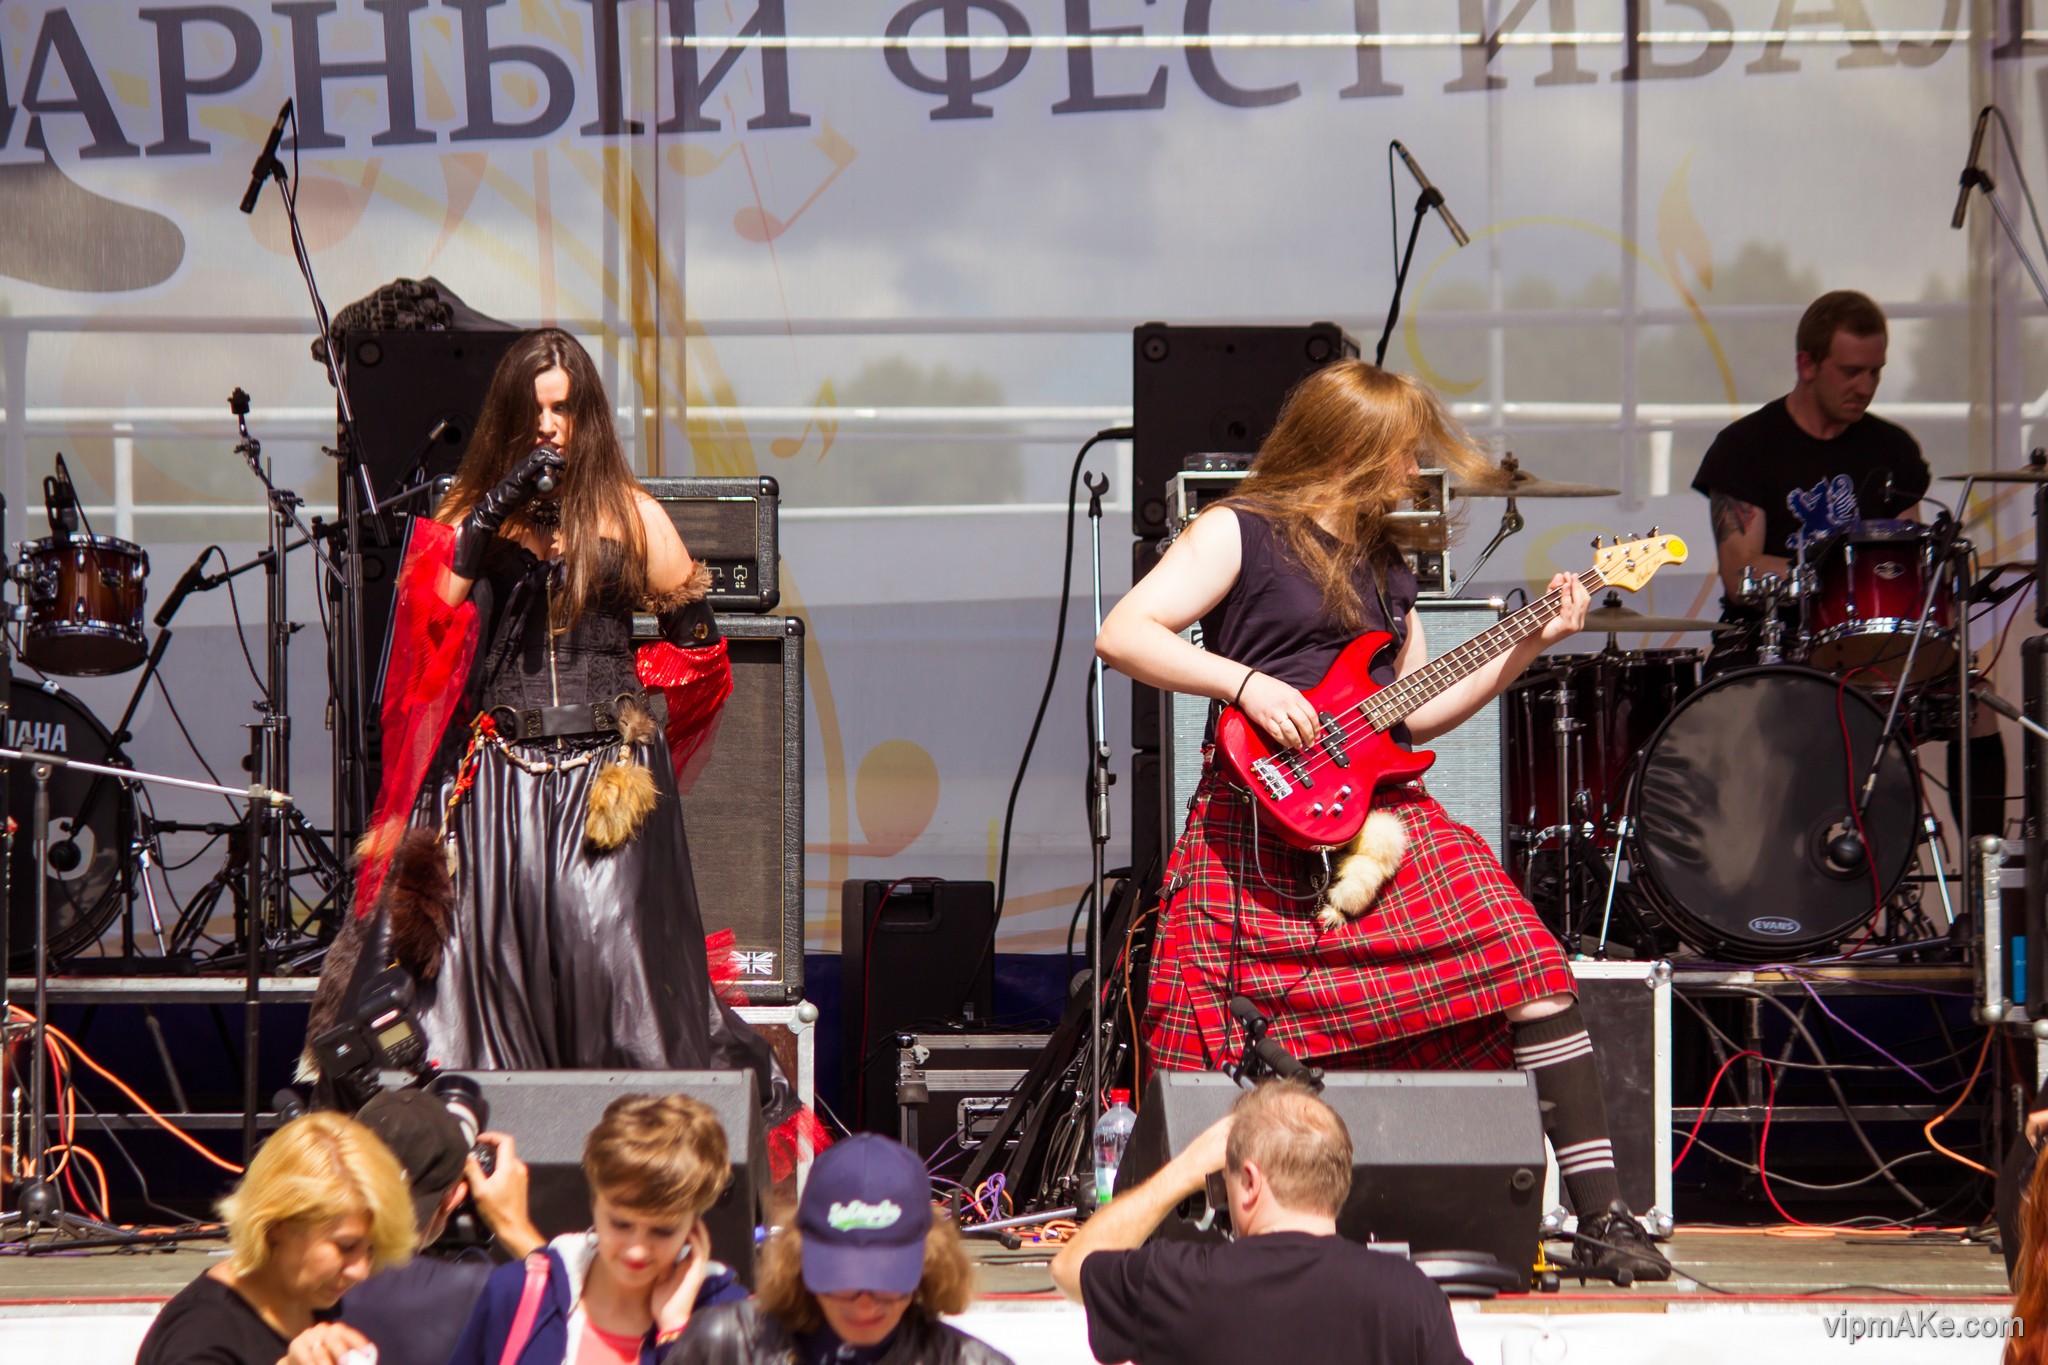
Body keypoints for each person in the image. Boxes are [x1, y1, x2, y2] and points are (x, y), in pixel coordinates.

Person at [1094, 358, 1666, 1282]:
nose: (1412, 471)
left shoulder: (1388, 566)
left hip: (1380, 817)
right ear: (1349, 446)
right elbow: (1124, 632)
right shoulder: (1237, 529)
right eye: (1401, 452)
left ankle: (1604, 1215)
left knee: (1526, 960)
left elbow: (1417, 709)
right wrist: (1244, 683)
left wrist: (1532, 639)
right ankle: (1191, 1233)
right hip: (1255, 815)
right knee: (1201, 1029)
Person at [307, 327, 819, 1166]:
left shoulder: (630, 512)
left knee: (621, 981)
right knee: (470, 986)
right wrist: (495, 507)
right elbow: (432, 616)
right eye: (536, 409)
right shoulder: (470, 514)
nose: (550, 425)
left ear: (588, 415)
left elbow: (700, 649)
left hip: (604, 789)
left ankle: (650, 1165)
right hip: (499, 785)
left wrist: (639, 694)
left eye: (566, 408)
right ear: (511, 416)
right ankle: (469, 1160)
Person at [1692, 289, 2004, 835]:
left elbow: (1910, 556)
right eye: (1851, 372)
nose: (1865, 386)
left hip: (1878, 650)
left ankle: (1987, 869)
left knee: (1974, 702)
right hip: (1773, 645)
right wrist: (1833, 576)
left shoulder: (1892, 448)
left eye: (1876, 372)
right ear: (1807, 364)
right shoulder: (1746, 447)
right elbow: (1740, 575)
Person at [1051, 1080, 1469, 1365]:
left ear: (1250, 1182)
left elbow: (1071, 1268)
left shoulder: (1176, 1280)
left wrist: (1186, 1168)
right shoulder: (1409, 1294)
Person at [448, 1093, 750, 1365]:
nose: (636, 1249)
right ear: (594, 1202)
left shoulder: (730, 1317)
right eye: (621, 1223)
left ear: (694, 1227)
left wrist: (676, 1334)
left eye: (662, 1231)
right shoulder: (514, 1291)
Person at [671, 1134, 1012, 1365]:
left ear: (929, 1263)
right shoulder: (722, 1346)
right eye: (841, 1279)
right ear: (799, 1259)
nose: (864, 1303)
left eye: (887, 1280)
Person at [136, 1112, 415, 1365]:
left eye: (371, 1249)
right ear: (279, 1224)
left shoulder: (313, 1301)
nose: (361, 1270)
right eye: (346, 1247)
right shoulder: (199, 1337)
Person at [336, 1090, 546, 1365]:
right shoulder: (478, 1292)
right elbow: (576, 1329)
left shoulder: (300, 1270)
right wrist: (514, 1225)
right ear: (454, 1197)